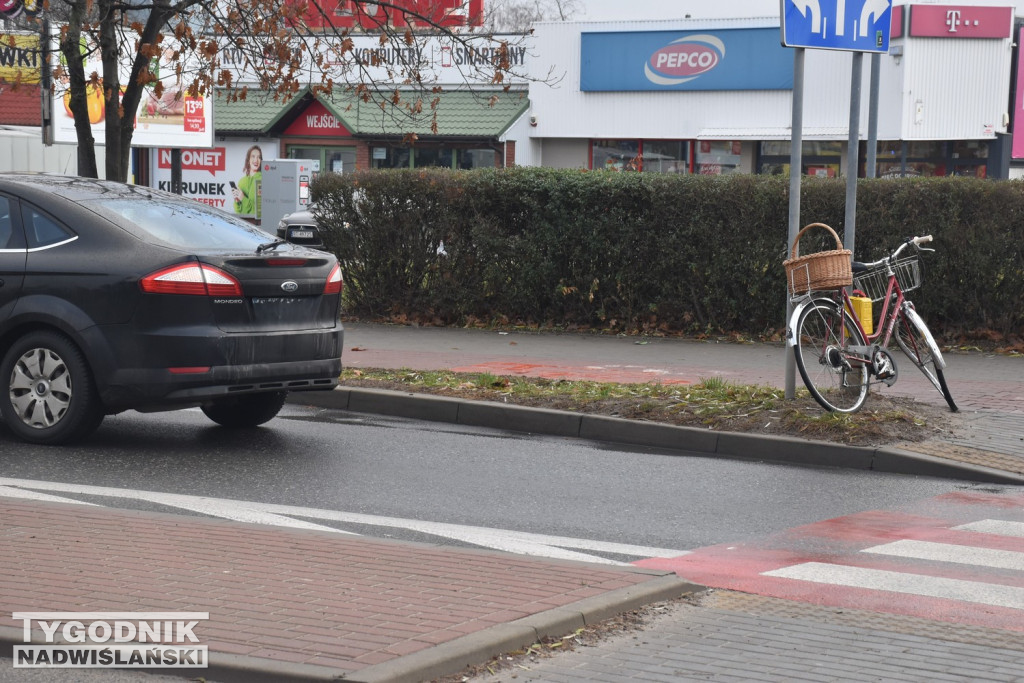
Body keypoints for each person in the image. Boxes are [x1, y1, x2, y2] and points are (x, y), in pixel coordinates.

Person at [232, 145, 262, 216]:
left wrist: (243, 198)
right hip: (243, 224)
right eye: (253, 156)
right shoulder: (242, 181)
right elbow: (238, 211)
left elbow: (259, 212)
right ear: (248, 160)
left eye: (259, 157)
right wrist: (237, 201)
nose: (256, 160)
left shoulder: (263, 180)